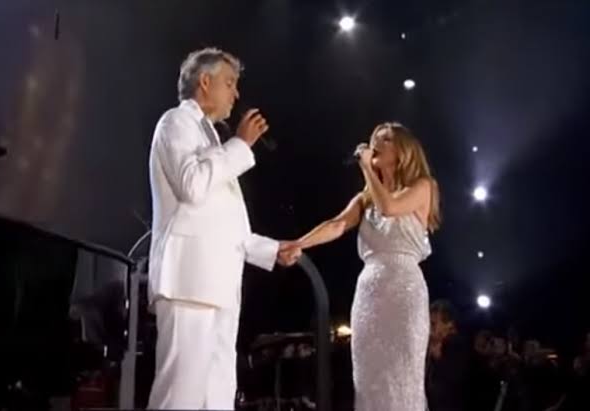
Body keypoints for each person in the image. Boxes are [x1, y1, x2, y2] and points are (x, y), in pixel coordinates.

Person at [146, 47, 300, 410]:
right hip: (189, 281)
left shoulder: (213, 139)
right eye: (229, 83)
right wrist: (241, 145)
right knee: (180, 394)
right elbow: (192, 185)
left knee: (217, 395)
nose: (236, 93)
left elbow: (227, 223)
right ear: (205, 81)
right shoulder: (175, 122)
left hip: (219, 286)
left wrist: (270, 249)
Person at [286, 122, 440, 410]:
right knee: (369, 379)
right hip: (370, 291)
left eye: (386, 139)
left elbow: (390, 208)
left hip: (404, 288)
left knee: (401, 375)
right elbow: (337, 224)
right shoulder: (365, 200)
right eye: (374, 139)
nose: (376, 144)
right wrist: (298, 244)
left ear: (404, 150)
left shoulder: (423, 186)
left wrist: (367, 168)